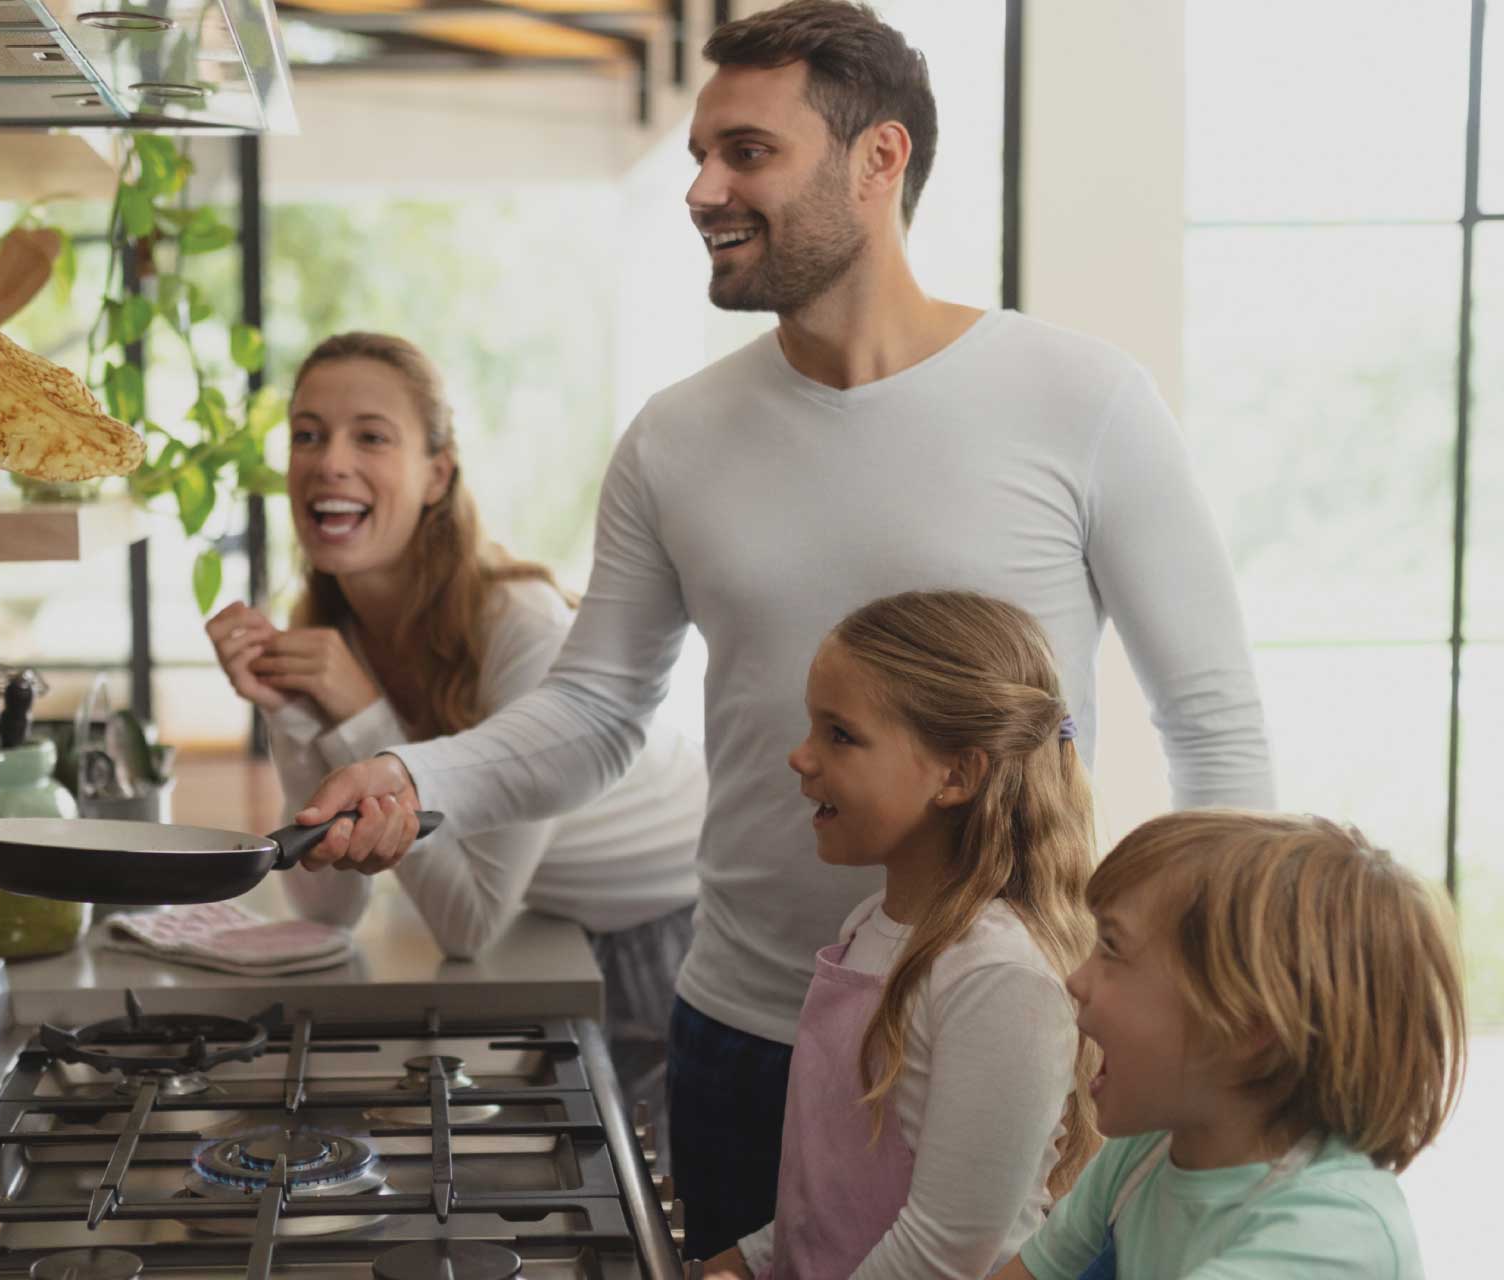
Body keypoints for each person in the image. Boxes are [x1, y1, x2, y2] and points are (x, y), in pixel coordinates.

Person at [290, 0, 1274, 1256]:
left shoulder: (1081, 400)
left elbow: (1212, 719)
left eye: (747, 151)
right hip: (748, 1024)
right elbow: (596, 709)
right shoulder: (676, 436)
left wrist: (1219, 993)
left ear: (881, 159)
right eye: (701, 153)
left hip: (1007, 1033)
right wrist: (411, 778)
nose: (702, 187)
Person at [204, 331, 707, 1132]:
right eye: (307, 434)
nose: (328, 460)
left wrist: (363, 713)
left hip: (667, 932)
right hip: (552, 922)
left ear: (438, 474)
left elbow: (468, 924)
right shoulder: (336, 629)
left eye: (370, 435)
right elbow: (327, 907)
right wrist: (290, 708)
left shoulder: (521, 627)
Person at [693, 591, 1099, 1280]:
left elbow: (942, 1251)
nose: (800, 756)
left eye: (839, 735)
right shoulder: (870, 927)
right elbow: (836, 1203)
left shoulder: (998, 974)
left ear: (958, 774)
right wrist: (745, 1262)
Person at [994, 811, 1465, 1280]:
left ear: (1250, 1026)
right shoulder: (1147, 1152)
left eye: (1113, 948)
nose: (1076, 980)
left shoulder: (1334, 1234)